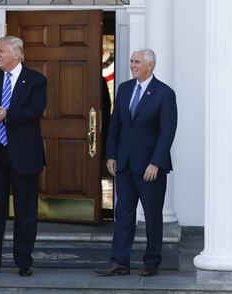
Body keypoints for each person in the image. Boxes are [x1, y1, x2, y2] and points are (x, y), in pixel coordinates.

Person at [93, 48, 177, 277]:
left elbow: (167, 132)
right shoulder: (125, 88)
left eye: (136, 62)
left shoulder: (164, 93)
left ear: (150, 65)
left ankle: (152, 262)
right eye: (131, 61)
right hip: (125, 165)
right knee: (124, 215)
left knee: (152, 216)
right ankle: (119, 261)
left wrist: (156, 163)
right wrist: (111, 155)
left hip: (150, 167)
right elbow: (116, 125)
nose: (132, 65)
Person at [0, 36, 47, 277]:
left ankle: (23, 262)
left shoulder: (36, 80)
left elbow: (36, 110)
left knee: (25, 212)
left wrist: (7, 115)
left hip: (24, 154)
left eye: (2, 51)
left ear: (16, 54)